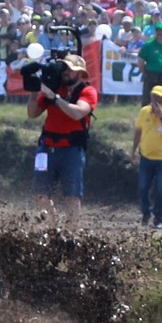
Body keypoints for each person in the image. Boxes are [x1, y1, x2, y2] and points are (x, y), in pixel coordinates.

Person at [27, 53, 97, 230]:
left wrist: (55, 98)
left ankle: (71, 231)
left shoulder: (87, 91)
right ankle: (53, 224)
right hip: (47, 147)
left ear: (80, 73)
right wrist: (35, 92)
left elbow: (77, 112)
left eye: (70, 70)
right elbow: (32, 113)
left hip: (71, 150)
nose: (65, 73)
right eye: (64, 69)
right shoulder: (55, 88)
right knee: (39, 192)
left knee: (72, 195)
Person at [131, 84, 162, 229]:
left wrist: (161, 117)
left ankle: (158, 218)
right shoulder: (144, 111)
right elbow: (138, 131)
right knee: (142, 187)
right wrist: (133, 150)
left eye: (159, 97)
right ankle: (146, 212)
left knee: (160, 189)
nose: (156, 100)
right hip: (146, 156)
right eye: (154, 96)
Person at [137, 21, 162, 105]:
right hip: (152, 75)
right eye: (157, 31)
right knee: (148, 100)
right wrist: (145, 72)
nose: (159, 33)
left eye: (161, 31)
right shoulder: (148, 45)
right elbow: (140, 61)